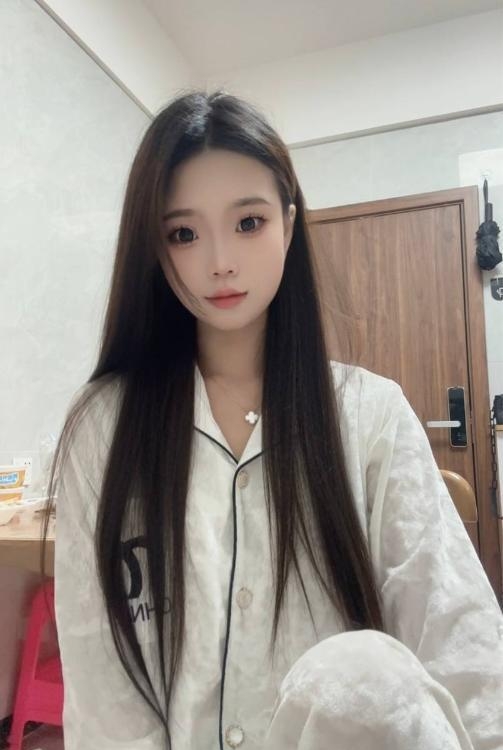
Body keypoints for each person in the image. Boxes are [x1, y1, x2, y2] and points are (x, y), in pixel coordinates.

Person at [43, 90, 503, 750]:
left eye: (249, 222)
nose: (220, 261)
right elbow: (103, 694)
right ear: (155, 248)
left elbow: (461, 648)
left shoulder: (370, 416)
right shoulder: (104, 428)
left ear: (288, 223)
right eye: (183, 233)